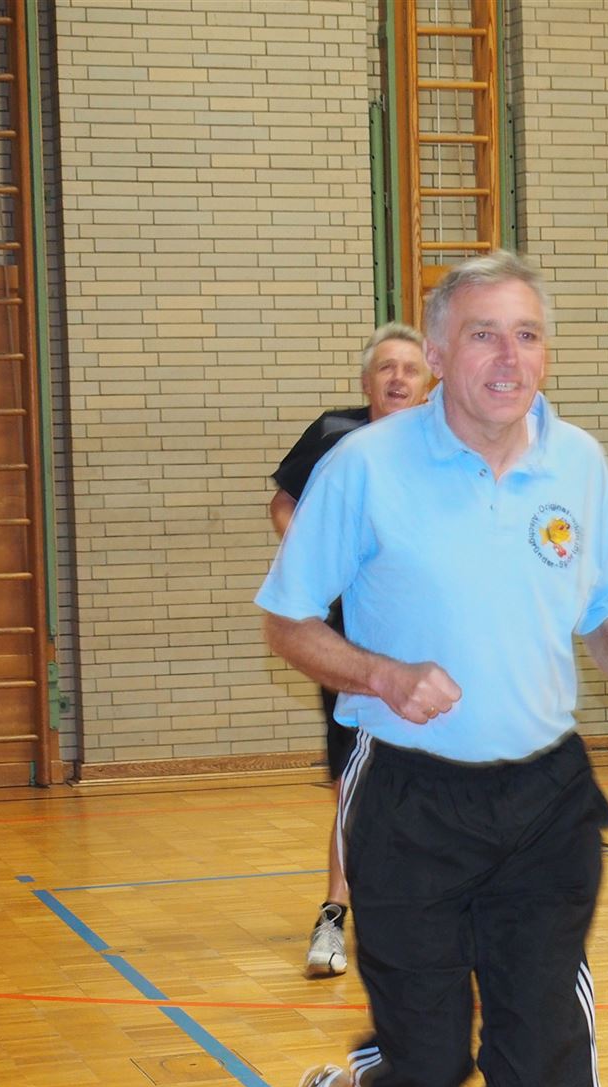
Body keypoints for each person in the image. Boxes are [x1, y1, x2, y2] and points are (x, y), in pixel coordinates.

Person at [256, 252, 608, 1087]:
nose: (511, 357)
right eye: (486, 335)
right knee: (424, 1069)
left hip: (544, 802)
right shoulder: (366, 467)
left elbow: (605, 610)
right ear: (441, 353)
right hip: (411, 799)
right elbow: (288, 622)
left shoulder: (576, 462)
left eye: (529, 334)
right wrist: (381, 673)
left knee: (533, 1056)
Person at [269, 322, 435, 977]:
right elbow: (284, 504)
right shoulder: (335, 436)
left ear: (429, 383)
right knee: (352, 778)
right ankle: (335, 914)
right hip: (347, 640)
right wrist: (317, 558)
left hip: (428, 637)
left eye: (410, 369)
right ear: (367, 381)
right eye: (386, 367)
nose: (398, 378)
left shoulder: (445, 445)